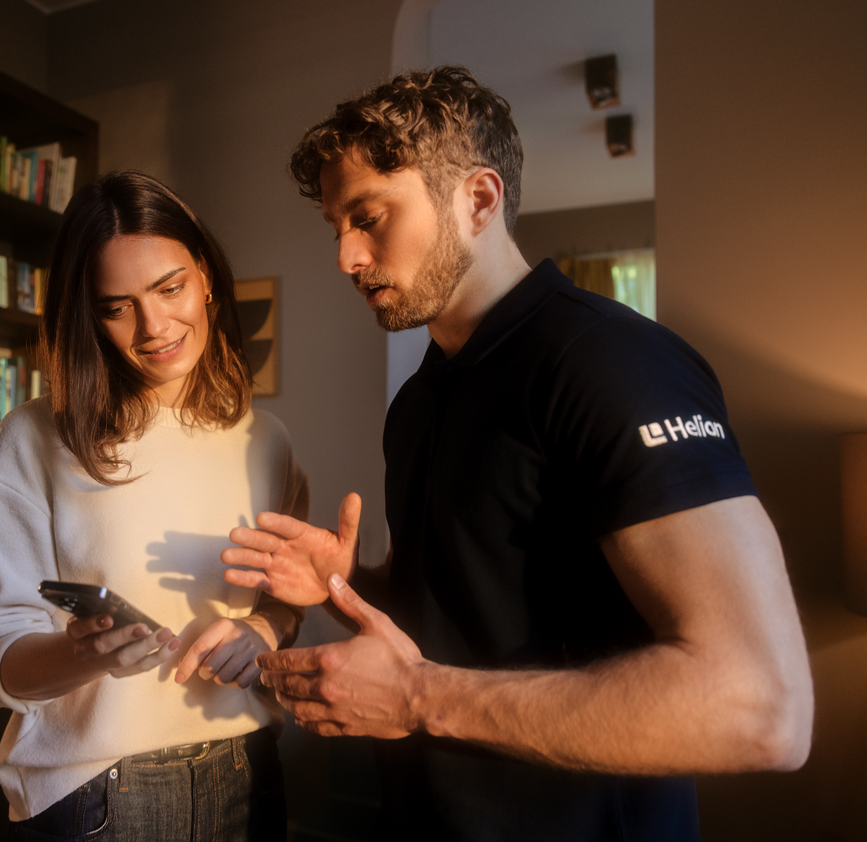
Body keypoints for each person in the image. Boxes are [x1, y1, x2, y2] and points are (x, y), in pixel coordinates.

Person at [220, 67, 813, 839]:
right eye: (337, 227)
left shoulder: (611, 364)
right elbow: (469, 610)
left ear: (478, 199)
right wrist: (346, 584)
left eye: (368, 218)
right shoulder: (419, 400)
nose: (346, 257)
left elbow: (762, 707)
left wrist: (415, 698)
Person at [0, 171, 309, 842]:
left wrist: (264, 631)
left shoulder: (267, 441)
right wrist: (82, 655)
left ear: (204, 276)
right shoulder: (34, 440)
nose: (154, 326)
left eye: (170, 288)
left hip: (249, 764)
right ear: (87, 315)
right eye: (116, 306)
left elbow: (288, 597)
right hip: (103, 792)